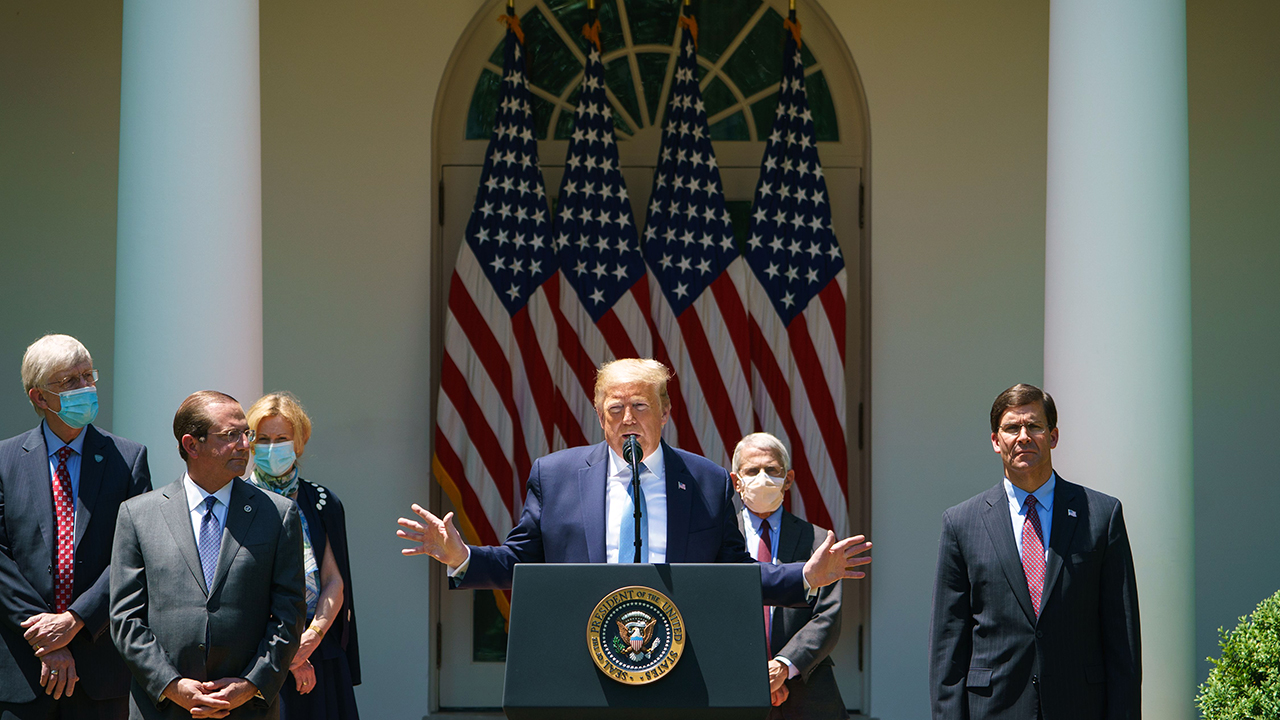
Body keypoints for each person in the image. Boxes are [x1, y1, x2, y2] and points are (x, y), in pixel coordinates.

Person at [397, 358, 872, 608]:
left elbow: (734, 572)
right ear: (599, 416)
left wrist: (806, 576)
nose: (628, 419)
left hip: (680, 656)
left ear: (666, 412)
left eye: (641, 406)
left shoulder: (705, 481)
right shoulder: (555, 475)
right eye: (615, 408)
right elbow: (521, 561)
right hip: (584, 655)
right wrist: (461, 557)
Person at [929, 384, 1141, 720]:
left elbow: (1123, 639)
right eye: (1012, 427)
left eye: (1035, 426)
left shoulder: (1101, 514)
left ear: (1053, 436)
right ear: (996, 441)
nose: (1023, 436)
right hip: (993, 708)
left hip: (1080, 707)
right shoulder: (961, 523)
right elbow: (948, 644)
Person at [109, 391, 305, 720]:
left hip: (247, 709)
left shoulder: (278, 514)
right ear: (192, 444)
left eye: (247, 434)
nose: (245, 445)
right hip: (164, 708)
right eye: (231, 435)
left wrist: (250, 683)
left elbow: (289, 614)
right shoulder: (138, 515)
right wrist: (170, 685)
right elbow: (125, 618)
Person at [0, 334, 152, 720]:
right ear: (39, 397)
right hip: (24, 665)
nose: (85, 388)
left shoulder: (128, 459)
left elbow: (134, 554)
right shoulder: (5, 461)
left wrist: (75, 621)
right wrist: (45, 638)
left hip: (100, 667)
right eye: (69, 381)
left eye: (88, 376)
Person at [246, 392, 360, 720]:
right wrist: (289, 655)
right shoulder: (239, 501)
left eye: (281, 438)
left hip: (319, 650)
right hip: (259, 655)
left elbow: (334, 581)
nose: (271, 447)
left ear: (299, 442)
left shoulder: (323, 502)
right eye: (262, 439)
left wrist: (310, 640)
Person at [731, 433, 846, 719]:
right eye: (752, 471)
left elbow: (828, 616)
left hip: (807, 692)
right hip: (733, 688)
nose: (763, 478)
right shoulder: (719, 539)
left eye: (772, 470)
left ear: (789, 479)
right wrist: (757, 675)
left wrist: (783, 666)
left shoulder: (818, 540)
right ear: (736, 481)